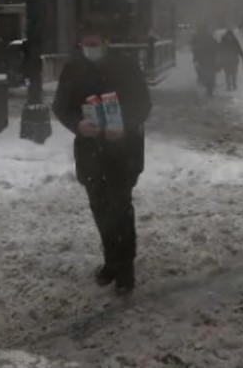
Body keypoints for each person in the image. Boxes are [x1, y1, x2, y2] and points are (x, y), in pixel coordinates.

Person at [52, 16, 151, 294]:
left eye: (94, 43)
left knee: (120, 206)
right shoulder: (73, 68)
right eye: (85, 44)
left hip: (124, 151)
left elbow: (143, 103)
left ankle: (125, 269)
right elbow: (60, 106)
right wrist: (77, 125)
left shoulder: (126, 65)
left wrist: (126, 127)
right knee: (99, 207)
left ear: (106, 42)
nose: (89, 48)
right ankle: (111, 260)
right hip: (90, 151)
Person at [190, 23, 219, 96]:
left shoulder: (197, 37)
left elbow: (194, 47)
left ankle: (204, 82)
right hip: (209, 58)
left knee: (202, 70)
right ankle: (209, 86)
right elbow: (216, 46)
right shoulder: (209, 36)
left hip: (202, 58)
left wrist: (195, 56)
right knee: (209, 72)